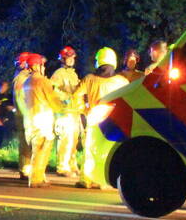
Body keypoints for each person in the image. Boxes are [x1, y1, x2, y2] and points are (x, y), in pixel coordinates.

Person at [76, 47, 130, 189]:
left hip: (94, 119)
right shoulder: (122, 81)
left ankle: (85, 180)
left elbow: (75, 96)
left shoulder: (89, 79)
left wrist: (84, 110)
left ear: (98, 62)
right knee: (108, 151)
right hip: (114, 122)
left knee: (89, 149)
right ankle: (103, 182)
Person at [22, 53, 66, 188]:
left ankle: (39, 177)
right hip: (42, 120)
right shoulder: (42, 81)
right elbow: (53, 101)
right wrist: (63, 107)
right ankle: (36, 180)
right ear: (36, 65)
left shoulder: (26, 82)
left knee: (36, 150)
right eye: (42, 65)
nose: (44, 67)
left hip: (30, 119)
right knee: (41, 149)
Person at [49, 45, 83, 177]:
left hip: (74, 111)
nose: (71, 59)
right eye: (68, 57)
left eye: (72, 57)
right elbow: (52, 89)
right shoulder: (59, 73)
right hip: (64, 112)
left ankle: (72, 165)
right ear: (63, 59)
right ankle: (62, 167)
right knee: (65, 140)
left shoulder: (73, 74)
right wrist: (65, 98)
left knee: (74, 140)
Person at [11, 52, 33, 179]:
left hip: (26, 115)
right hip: (24, 116)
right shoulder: (21, 78)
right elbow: (20, 99)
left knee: (28, 142)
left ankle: (28, 168)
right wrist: (27, 115)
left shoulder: (25, 77)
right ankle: (25, 169)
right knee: (25, 143)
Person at [0, 80, 15, 149]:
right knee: (0, 134)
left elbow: (7, 106)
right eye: (6, 85)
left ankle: (4, 147)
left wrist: (13, 109)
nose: (7, 87)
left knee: (6, 133)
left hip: (5, 117)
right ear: (2, 86)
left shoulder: (6, 96)